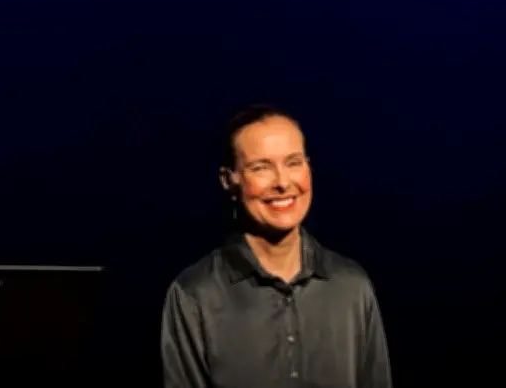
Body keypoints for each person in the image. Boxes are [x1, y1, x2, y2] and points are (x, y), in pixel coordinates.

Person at [160, 105, 392, 388]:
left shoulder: (351, 285)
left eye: (293, 162)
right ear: (229, 180)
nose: (283, 182)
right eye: (261, 168)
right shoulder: (195, 295)